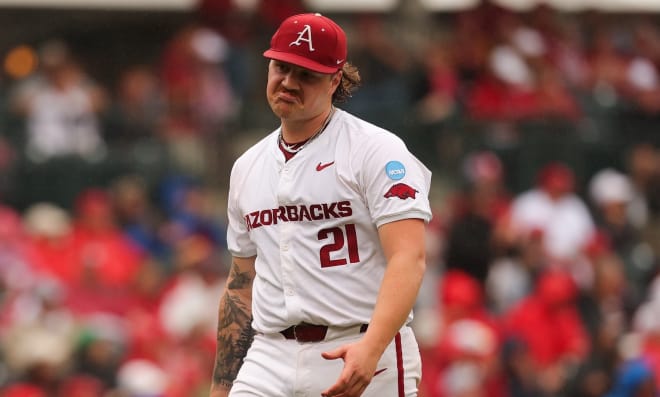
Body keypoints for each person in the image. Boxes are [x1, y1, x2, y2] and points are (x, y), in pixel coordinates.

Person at [209, 13, 433, 397]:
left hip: (359, 342)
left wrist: (374, 347)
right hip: (270, 352)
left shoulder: (375, 150)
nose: (289, 82)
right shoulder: (247, 166)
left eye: (306, 74)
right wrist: (222, 386)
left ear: (335, 80)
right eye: (281, 67)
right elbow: (240, 287)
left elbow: (408, 258)